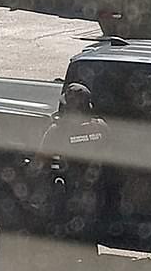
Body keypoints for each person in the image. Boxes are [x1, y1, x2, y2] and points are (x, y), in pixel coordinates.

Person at [43, 83, 110, 243]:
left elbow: (41, 160)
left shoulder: (57, 131)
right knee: (89, 239)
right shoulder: (101, 127)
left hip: (68, 196)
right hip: (95, 194)